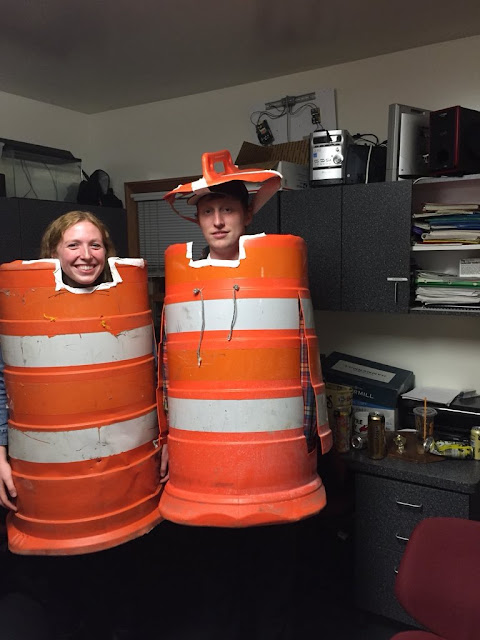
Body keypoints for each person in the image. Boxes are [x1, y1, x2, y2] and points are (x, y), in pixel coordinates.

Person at [160, 152, 326, 640]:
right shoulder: (182, 281)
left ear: (246, 214)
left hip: (273, 468)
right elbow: (168, 373)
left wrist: (313, 437)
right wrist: (168, 438)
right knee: (216, 590)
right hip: (208, 472)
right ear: (197, 218)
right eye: (208, 210)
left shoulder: (278, 272)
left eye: (227, 209)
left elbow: (302, 365)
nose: (216, 220)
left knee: (273, 586)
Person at [0, 210, 164, 639]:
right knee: (64, 599)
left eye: (95, 245)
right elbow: (6, 385)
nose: (86, 255)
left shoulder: (129, 301)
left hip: (123, 485)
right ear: (53, 252)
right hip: (57, 495)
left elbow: (153, 377)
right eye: (73, 245)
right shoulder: (26, 305)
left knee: (122, 593)